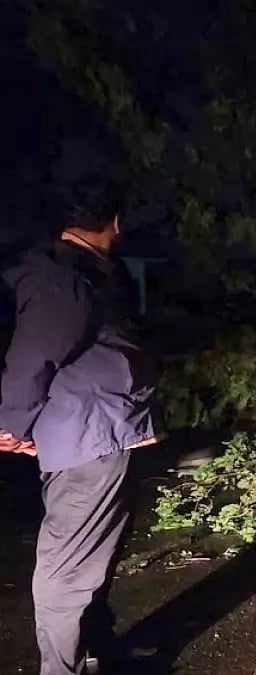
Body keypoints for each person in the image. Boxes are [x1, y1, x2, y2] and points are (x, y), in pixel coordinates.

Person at [0, 182, 163, 675]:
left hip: (101, 433)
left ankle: (95, 651)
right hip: (89, 438)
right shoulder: (65, 279)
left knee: (94, 554)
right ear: (115, 223)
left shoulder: (84, 272)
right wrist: (11, 423)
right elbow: (33, 357)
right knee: (67, 568)